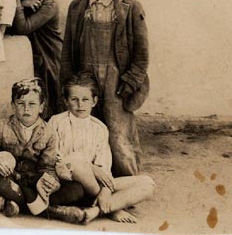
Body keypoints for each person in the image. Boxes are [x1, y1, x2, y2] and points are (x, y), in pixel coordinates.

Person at [61, 0, 149, 177]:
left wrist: (130, 81)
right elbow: (68, 50)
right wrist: (70, 84)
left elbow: (142, 53)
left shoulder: (130, 7)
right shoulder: (77, 7)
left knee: (118, 135)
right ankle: (93, 182)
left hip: (116, 82)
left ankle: (129, 182)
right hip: (85, 81)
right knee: (86, 131)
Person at [50, 72, 156, 224]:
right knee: (76, 162)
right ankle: (114, 209)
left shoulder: (100, 128)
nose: (80, 105)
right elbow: (59, 161)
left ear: (94, 101)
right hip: (70, 185)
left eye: (85, 99)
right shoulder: (56, 122)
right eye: (74, 99)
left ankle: (96, 209)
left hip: (95, 186)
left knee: (147, 183)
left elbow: (104, 167)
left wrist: (105, 191)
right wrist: (92, 169)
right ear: (66, 101)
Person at [0, 78, 79, 221]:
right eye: (21, 104)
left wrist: (52, 183)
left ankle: (12, 203)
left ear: (41, 107)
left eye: (32, 104)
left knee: (77, 189)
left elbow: (47, 166)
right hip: (10, 178)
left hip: (33, 182)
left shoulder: (49, 133)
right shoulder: (2, 126)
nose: (26, 109)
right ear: (13, 105)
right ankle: (50, 211)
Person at [9, 0, 63, 119]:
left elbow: (22, 27)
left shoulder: (49, 4)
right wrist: (23, 2)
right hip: (35, 58)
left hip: (50, 58)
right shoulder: (30, 1)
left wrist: (17, 1)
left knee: (49, 105)